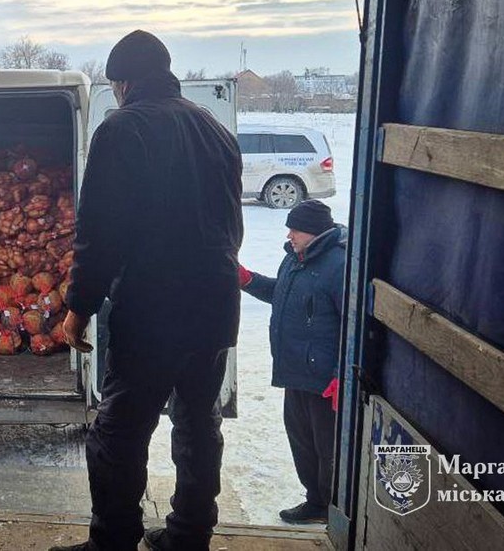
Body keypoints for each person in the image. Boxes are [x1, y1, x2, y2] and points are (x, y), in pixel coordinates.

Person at [53, 30, 244, 551]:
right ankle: (188, 535)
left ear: (123, 82)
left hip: (155, 307)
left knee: (120, 432)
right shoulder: (213, 129)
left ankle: (112, 541)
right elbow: (232, 224)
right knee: (198, 425)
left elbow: (100, 234)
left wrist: (79, 307)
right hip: (214, 306)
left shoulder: (124, 129)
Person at [238, 199, 346, 525]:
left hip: (324, 381)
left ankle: (333, 508)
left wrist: (341, 376)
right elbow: (280, 293)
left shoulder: (338, 265)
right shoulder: (295, 259)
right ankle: (315, 501)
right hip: (295, 371)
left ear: (313, 232)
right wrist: (246, 279)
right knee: (301, 441)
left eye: (295, 229)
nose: (289, 234)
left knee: (327, 450)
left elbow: (351, 323)